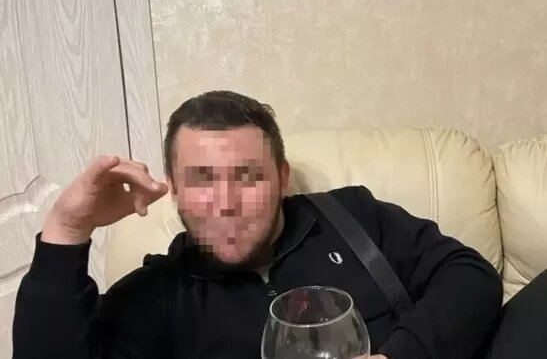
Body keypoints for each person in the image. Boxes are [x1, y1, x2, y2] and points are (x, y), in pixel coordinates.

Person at [13, 90, 506, 359]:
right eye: (202, 179)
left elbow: (470, 275)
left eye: (248, 177)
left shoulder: (351, 214)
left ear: (282, 178)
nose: (226, 203)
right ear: (175, 189)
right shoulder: (161, 292)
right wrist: (67, 229)